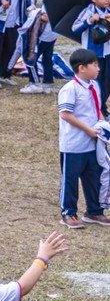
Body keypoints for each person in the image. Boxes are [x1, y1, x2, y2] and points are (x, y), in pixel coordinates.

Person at [56, 50, 110, 227]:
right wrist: (87, 129)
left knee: (93, 177)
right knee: (70, 179)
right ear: (82, 68)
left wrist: (101, 121)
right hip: (74, 144)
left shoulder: (94, 85)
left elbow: (96, 108)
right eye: (94, 65)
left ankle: (94, 211)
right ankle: (68, 213)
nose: (98, 68)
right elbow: (65, 114)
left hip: (92, 143)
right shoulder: (70, 89)